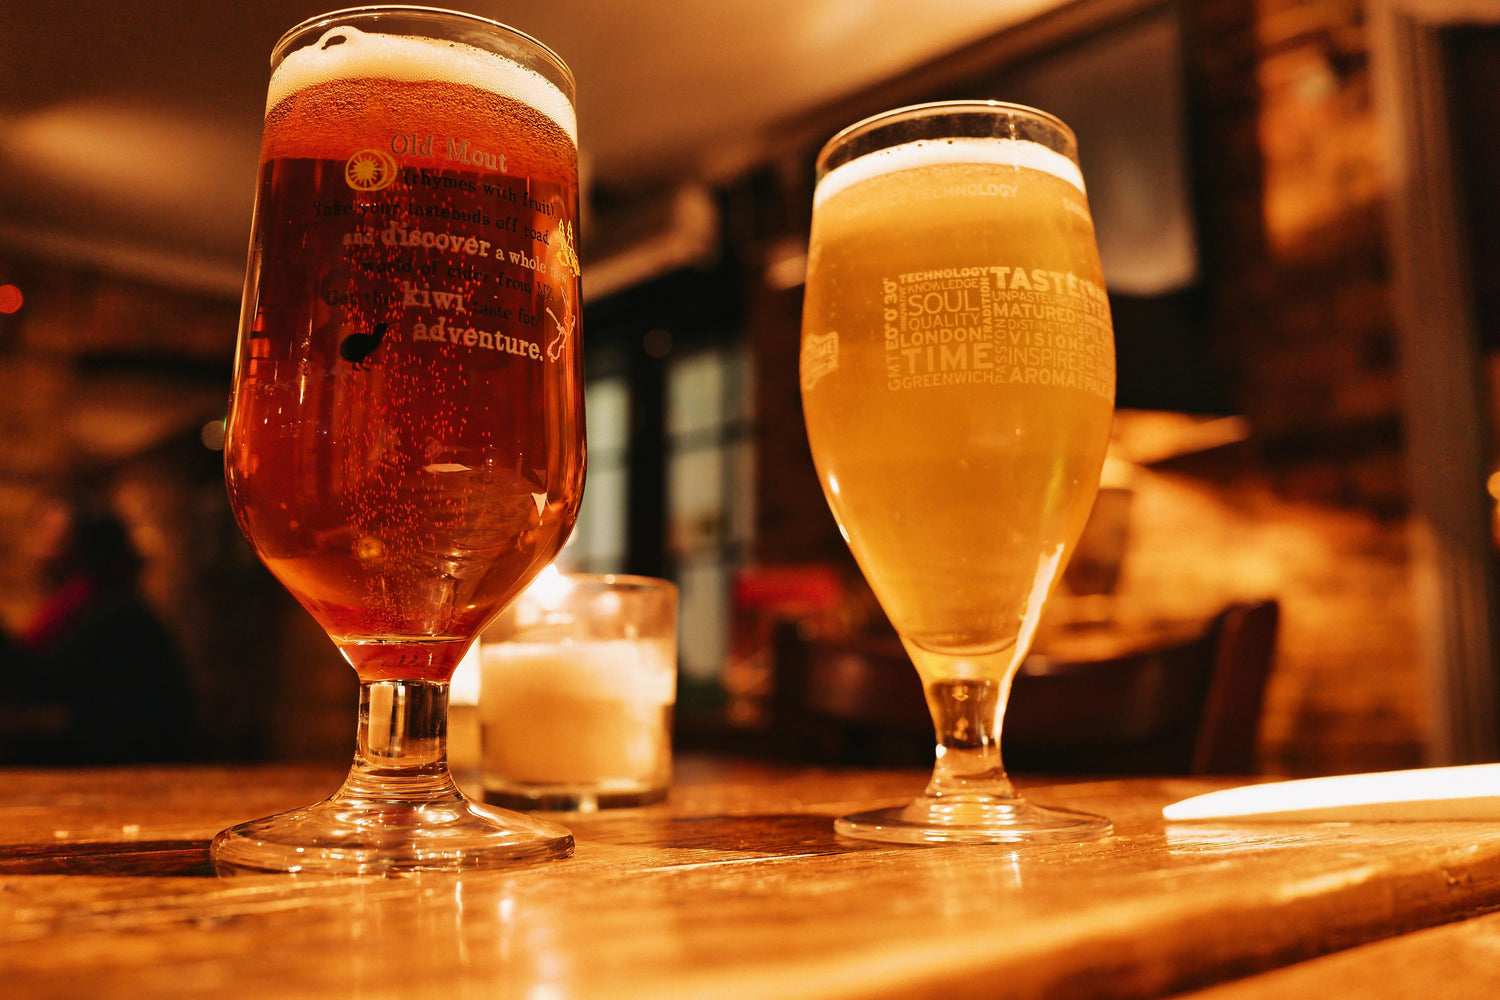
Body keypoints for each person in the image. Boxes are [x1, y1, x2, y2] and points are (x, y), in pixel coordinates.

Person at [0, 499, 197, 764]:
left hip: (124, 771)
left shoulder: (113, 612)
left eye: (54, 535)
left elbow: (47, 687)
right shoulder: (77, 603)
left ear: (84, 544)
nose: (40, 543)